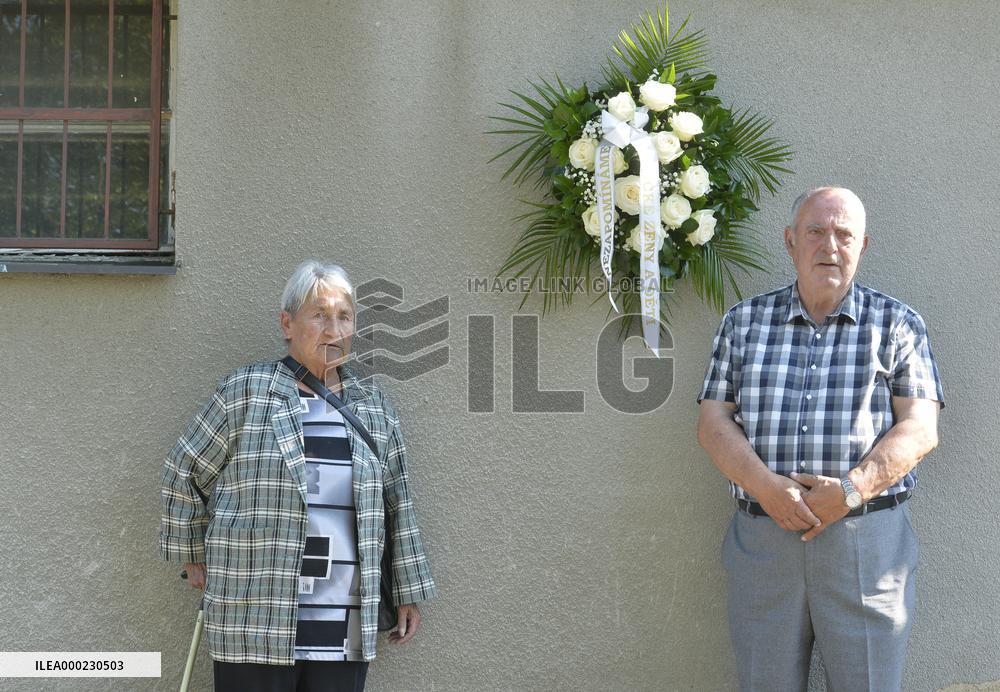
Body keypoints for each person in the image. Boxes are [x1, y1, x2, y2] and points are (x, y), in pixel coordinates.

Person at [696, 187, 943, 691]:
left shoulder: (898, 324)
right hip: (764, 542)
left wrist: (849, 491)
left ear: (863, 246)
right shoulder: (743, 323)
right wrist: (766, 487)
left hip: (866, 543)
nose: (829, 245)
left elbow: (920, 427)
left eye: (844, 234)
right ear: (790, 242)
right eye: (815, 232)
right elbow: (713, 421)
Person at [160, 260, 437, 692]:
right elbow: (183, 469)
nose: (334, 329)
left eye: (344, 317)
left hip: (342, 624)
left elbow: (398, 500)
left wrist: (406, 589)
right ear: (287, 323)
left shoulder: (372, 406)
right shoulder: (247, 392)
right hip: (255, 617)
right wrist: (192, 552)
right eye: (319, 316)